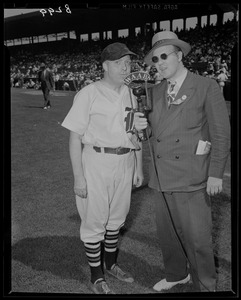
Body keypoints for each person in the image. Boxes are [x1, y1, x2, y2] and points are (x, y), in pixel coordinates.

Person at [134, 31, 230, 293]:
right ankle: (176, 274)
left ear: (179, 55)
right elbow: (154, 136)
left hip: (193, 176)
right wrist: (143, 128)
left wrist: (215, 174)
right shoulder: (153, 91)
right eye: (155, 59)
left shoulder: (206, 86)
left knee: (198, 241)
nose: (160, 63)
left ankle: (204, 286)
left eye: (165, 56)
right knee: (168, 236)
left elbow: (221, 134)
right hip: (161, 176)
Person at [61, 42, 144, 294]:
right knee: (95, 219)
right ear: (105, 66)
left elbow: (135, 133)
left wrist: (139, 167)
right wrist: (79, 178)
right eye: (119, 63)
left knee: (117, 218)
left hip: (125, 160)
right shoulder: (89, 92)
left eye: (128, 63)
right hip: (96, 161)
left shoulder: (131, 93)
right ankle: (96, 276)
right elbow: (75, 137)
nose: (125, 67)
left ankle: (111, 264)